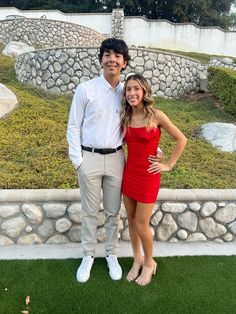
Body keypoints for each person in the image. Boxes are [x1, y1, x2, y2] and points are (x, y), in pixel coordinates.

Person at [67, 38, 131, 283]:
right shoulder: (86, 89)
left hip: (116, 159)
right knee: (90, 213)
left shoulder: (128, 91)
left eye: (117, 56)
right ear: (101, 59)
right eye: (107, 54)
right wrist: (78, 161)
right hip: (89, 158)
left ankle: (111, 254)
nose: (111, 59)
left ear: (124, 62)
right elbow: (73, 126)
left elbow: (141, 121)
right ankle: (88, 255)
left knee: (113, 213)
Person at [120, 74, 187, 286]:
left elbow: (181, 139)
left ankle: (149, 263)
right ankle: (137, 259)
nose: (132, 93)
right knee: (131, 220)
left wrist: (167, 164)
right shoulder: (125, 117)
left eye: (136, 89)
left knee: (141, 223)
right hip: (129, 174)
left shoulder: (156, 115)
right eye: (128, 89)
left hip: (148, 176)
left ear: (144, 91)